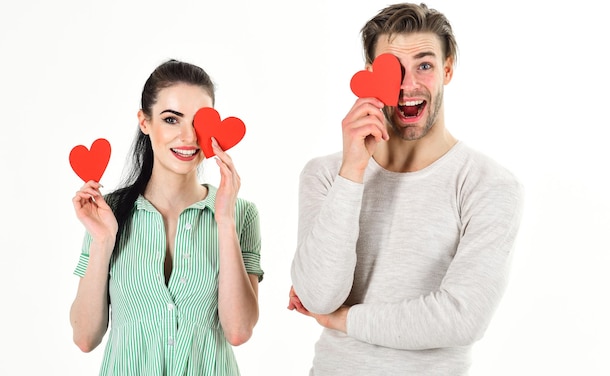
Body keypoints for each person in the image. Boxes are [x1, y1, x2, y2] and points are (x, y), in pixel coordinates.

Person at [288, 3, 524, 375]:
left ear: (447, 69)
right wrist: (352, 171)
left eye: (424, 65)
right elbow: (319, 295)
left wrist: (341, 320)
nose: (408, 85)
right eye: (393, 69)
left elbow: (462, 317)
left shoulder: (488, 184)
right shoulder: (325, 174)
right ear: (369, 74)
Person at [70, 59, 263, 375]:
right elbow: (84, 337)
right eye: (172, 119)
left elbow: (238, 331)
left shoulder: (241, 214)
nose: (188, 136)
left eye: (199, 122)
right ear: (145, 122)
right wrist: (103, 241)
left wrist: (225, 221)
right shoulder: (107, 213)